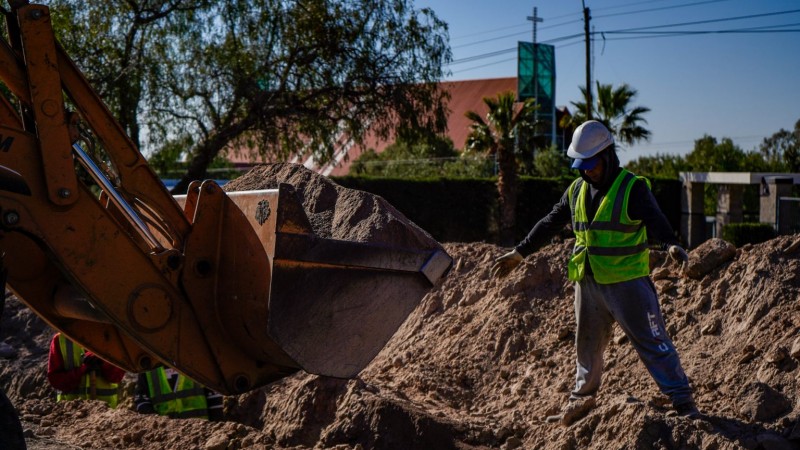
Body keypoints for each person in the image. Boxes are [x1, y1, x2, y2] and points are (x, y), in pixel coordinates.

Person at [491, 120, 699, 424]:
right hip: (588, 283)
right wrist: (521, 252)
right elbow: (550, 222)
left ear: (608, 156)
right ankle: (581, 403)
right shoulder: (576, 190)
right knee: (587, 345)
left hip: (627, 284)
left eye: (592, 165)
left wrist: (670, 244)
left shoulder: (632, 187)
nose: (587, 171)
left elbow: (656, 219)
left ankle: (683, 402)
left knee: (652, 342)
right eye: (582, 165)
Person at [46, 332, 125, 408]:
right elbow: (56, 381)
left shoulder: (112, 337)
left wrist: (103, 360)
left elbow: (116, 377)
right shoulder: (61, 339)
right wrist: (83, 369)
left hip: (104, 415)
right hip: (70, 413)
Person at [134, 366, 223, 421]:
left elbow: (215, 399)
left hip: (201, 436)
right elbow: (142, 401)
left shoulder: (198, 361)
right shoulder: (146, 367)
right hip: (166, 440)